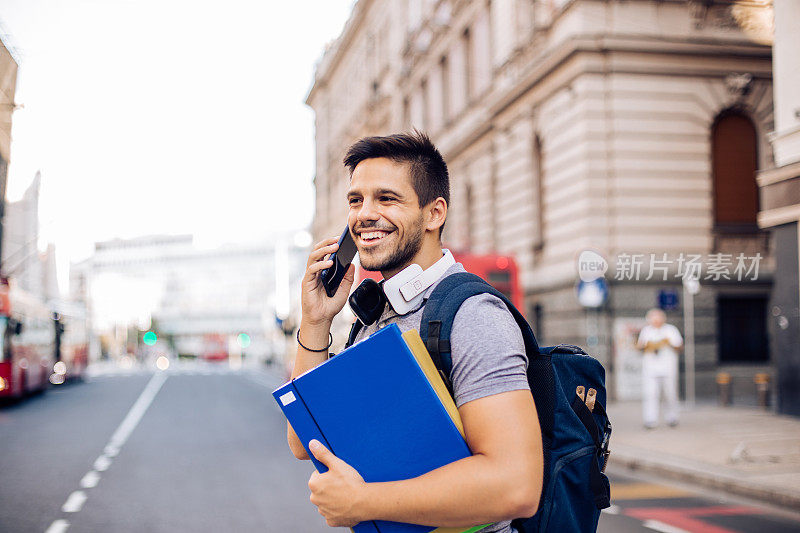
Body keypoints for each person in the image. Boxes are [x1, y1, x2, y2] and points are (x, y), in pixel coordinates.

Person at [286, 132, 543, 532]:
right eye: (356, 200)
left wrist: (362, 501)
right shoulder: (375, 315)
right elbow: (305, 441)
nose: (363, 215)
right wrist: (316, 320)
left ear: (434, 213)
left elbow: (516, 485)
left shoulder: (472, 315)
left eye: (386, 198)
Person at [636, 308, 684, 429]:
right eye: (654, 318)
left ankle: (672, 417)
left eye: (658, 318)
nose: (656, 321)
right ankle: (650, 420)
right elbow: (639, 347)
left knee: (670, 393)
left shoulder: (671, 330)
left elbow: (680, 347)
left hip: (668, 367)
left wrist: (669, 343)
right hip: (650, 369)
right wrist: (648, 345)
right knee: (650, 394)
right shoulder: (646, 331)